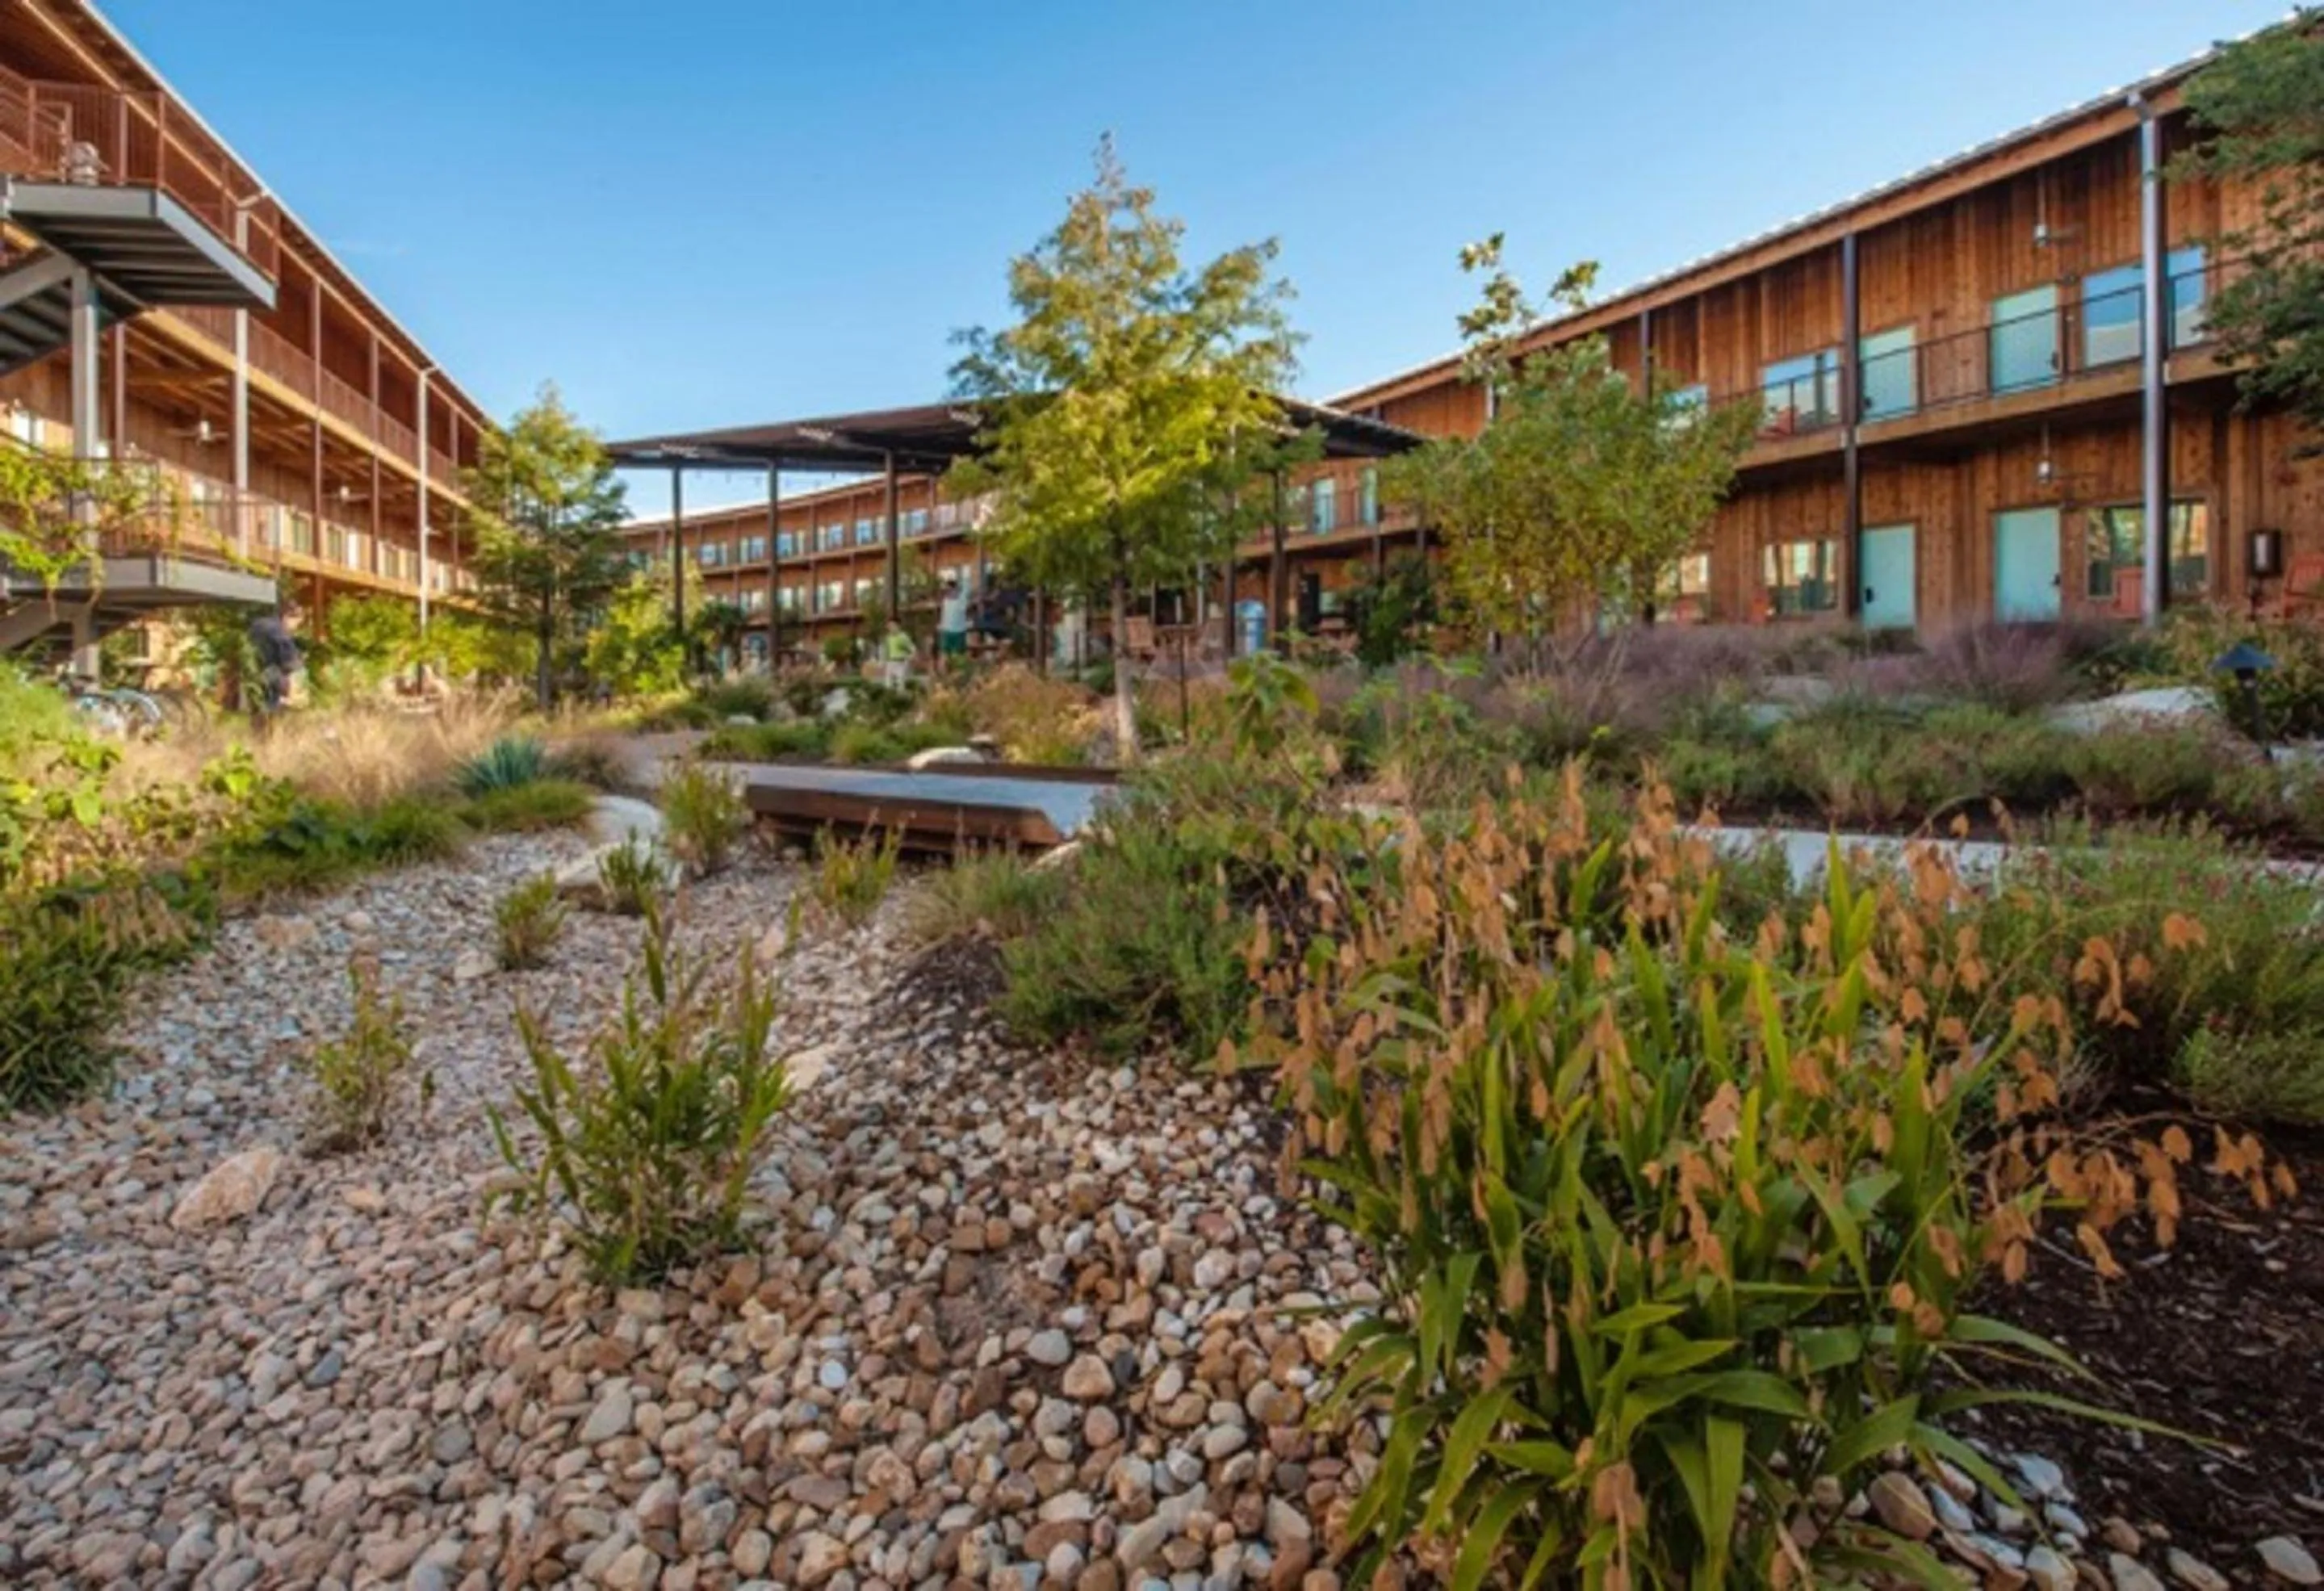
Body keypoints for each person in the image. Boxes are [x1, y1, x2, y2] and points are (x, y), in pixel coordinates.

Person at [248, 598, 303, 722]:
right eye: (297, 623)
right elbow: (291, 664)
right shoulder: (281, 634)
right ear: (288, 616)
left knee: (257, 716)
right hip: (271, 678)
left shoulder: (258, 624)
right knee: (273, 715)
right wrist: (292, 695)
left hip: (252, 677)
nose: (295, 628)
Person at [936, 573, 970, 673]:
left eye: (950, 590)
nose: (948, 592)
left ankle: (958, 674)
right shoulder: (945, 601)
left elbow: (966, 587)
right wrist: (941, 626)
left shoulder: (961, 600)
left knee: (958, 656)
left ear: (955, 590)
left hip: (959, 631)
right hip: (947, 631)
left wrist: (960, 587)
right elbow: (943, 615)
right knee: (944, 655)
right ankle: (943, 674)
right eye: (947, 591)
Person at [879, 618, 915, 689]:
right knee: (888, 684)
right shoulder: (888, 638)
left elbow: (912, 648)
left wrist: (911, 656)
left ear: (898, 626)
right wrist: (882, 662)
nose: (891, 628)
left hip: (901, 663)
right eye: (889, 626)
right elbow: (886, 651)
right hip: (890, 662)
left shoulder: (903, 637)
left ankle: (901, 698)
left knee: (900, 683)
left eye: (893, 626)